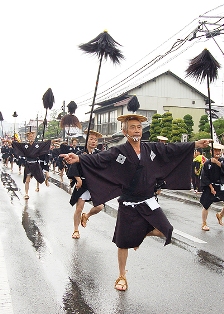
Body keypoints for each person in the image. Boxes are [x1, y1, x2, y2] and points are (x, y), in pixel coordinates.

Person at [61, 114, 211, 291]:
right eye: (132, 127)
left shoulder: (151, 149)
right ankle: (122, 275)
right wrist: (78, 158)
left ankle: (138, 235)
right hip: (128, 201)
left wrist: (195, 144)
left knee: (166, 230)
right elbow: (100, 159)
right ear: (125, 131)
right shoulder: (118, 152)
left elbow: (171, 149)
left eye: (139, 127)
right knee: (123, 242)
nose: (137, 130)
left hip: (148, 200)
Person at [67, 130, 104, 239]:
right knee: (79, 208)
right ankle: (76, 230)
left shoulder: (98, 154)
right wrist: (78, 180)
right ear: (87, 140)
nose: (93, 141)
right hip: (83, 183)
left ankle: (86, 216)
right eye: (91, 139)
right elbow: (74, 167)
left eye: (95, 140)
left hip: (93, 184)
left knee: (100, 206)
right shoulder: (80, 153)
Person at [12, 131, 51, 199]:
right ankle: (26, 193)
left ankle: (41, 184)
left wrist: (53, 141)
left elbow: (45, 144)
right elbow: (17, 145)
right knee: (27, 180)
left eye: (33, 136)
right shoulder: (25, 145)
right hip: (28, 164)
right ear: (27, 137)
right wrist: (10, 141)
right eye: (30, 136)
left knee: (39, 177)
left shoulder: (37, 145)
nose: (32, 137)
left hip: (35, 164)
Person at [200, 143, 224, 231]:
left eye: (219, 150)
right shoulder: (207, 163)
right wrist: (211, 187)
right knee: (206, 205)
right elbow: (204, 176)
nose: (217, 152)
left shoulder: (222, 161)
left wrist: (217, 163)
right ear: (211, 151)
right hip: (210, 186)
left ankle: (220, 215)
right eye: (215, 150)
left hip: (221, 185)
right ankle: (204, 223)